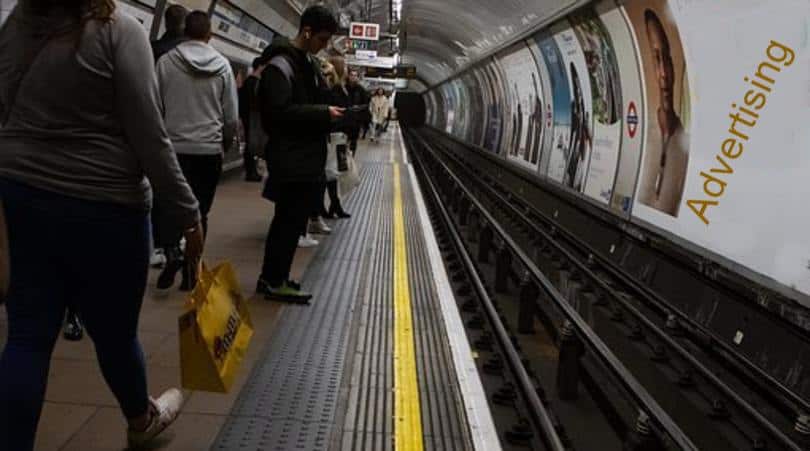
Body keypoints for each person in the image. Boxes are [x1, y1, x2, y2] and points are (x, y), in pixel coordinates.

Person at [0, 0, 204, 449]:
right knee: (114, 334)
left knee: (28, 338)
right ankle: (140, 421)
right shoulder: (119, 32)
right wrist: (187, 212)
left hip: (22, 200)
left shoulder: (18, 23)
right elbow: (149, 134)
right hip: (106, 208)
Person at [255, 5, 343, 303]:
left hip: (305, 158)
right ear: (306, 31)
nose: (324, 46)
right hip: (290, 157)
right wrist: (322, 113)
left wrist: (331, 91)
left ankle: (277, 277)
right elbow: (278, 114)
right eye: (321, 38)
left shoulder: (307, 63)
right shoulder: (281, 65)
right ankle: (271, 280)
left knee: (292, 224)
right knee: (286, 223)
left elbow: (311, 102)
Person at [154, 11, 238, 293]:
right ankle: (192, 269)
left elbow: (155, 106)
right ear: (209, 34)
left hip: (173, 149)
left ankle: (172, 252)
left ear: (184, 32)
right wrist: (222, 145)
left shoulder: (165, 62)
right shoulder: (224, 66)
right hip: (208, 150)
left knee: (169, 205)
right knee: (199, 210)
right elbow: (230, 116)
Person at [638, 8, 689, 216]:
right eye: (656, 59)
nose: (663, 74)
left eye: (666, 59)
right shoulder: (642, 134)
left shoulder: (687, 147)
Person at [238, 56, 268, 182]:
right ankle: (251, 172)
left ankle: (252, 171)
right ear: (260, 66)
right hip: (252, 117)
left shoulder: (249, 81)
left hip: (248, 116)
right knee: (251, 144)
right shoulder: (254, 82)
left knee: (251, 144)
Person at [346, 68, 370, 154]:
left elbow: (366, 104)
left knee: (353, 140)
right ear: (348, 76)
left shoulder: (361, 90)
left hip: (355, 119)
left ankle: (352, 156)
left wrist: (358, 107)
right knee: (343, 140)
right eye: (351, 75)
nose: (353, 77)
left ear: (358, 77)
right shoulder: (344, 87)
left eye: (355, 75)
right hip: (344, 118)